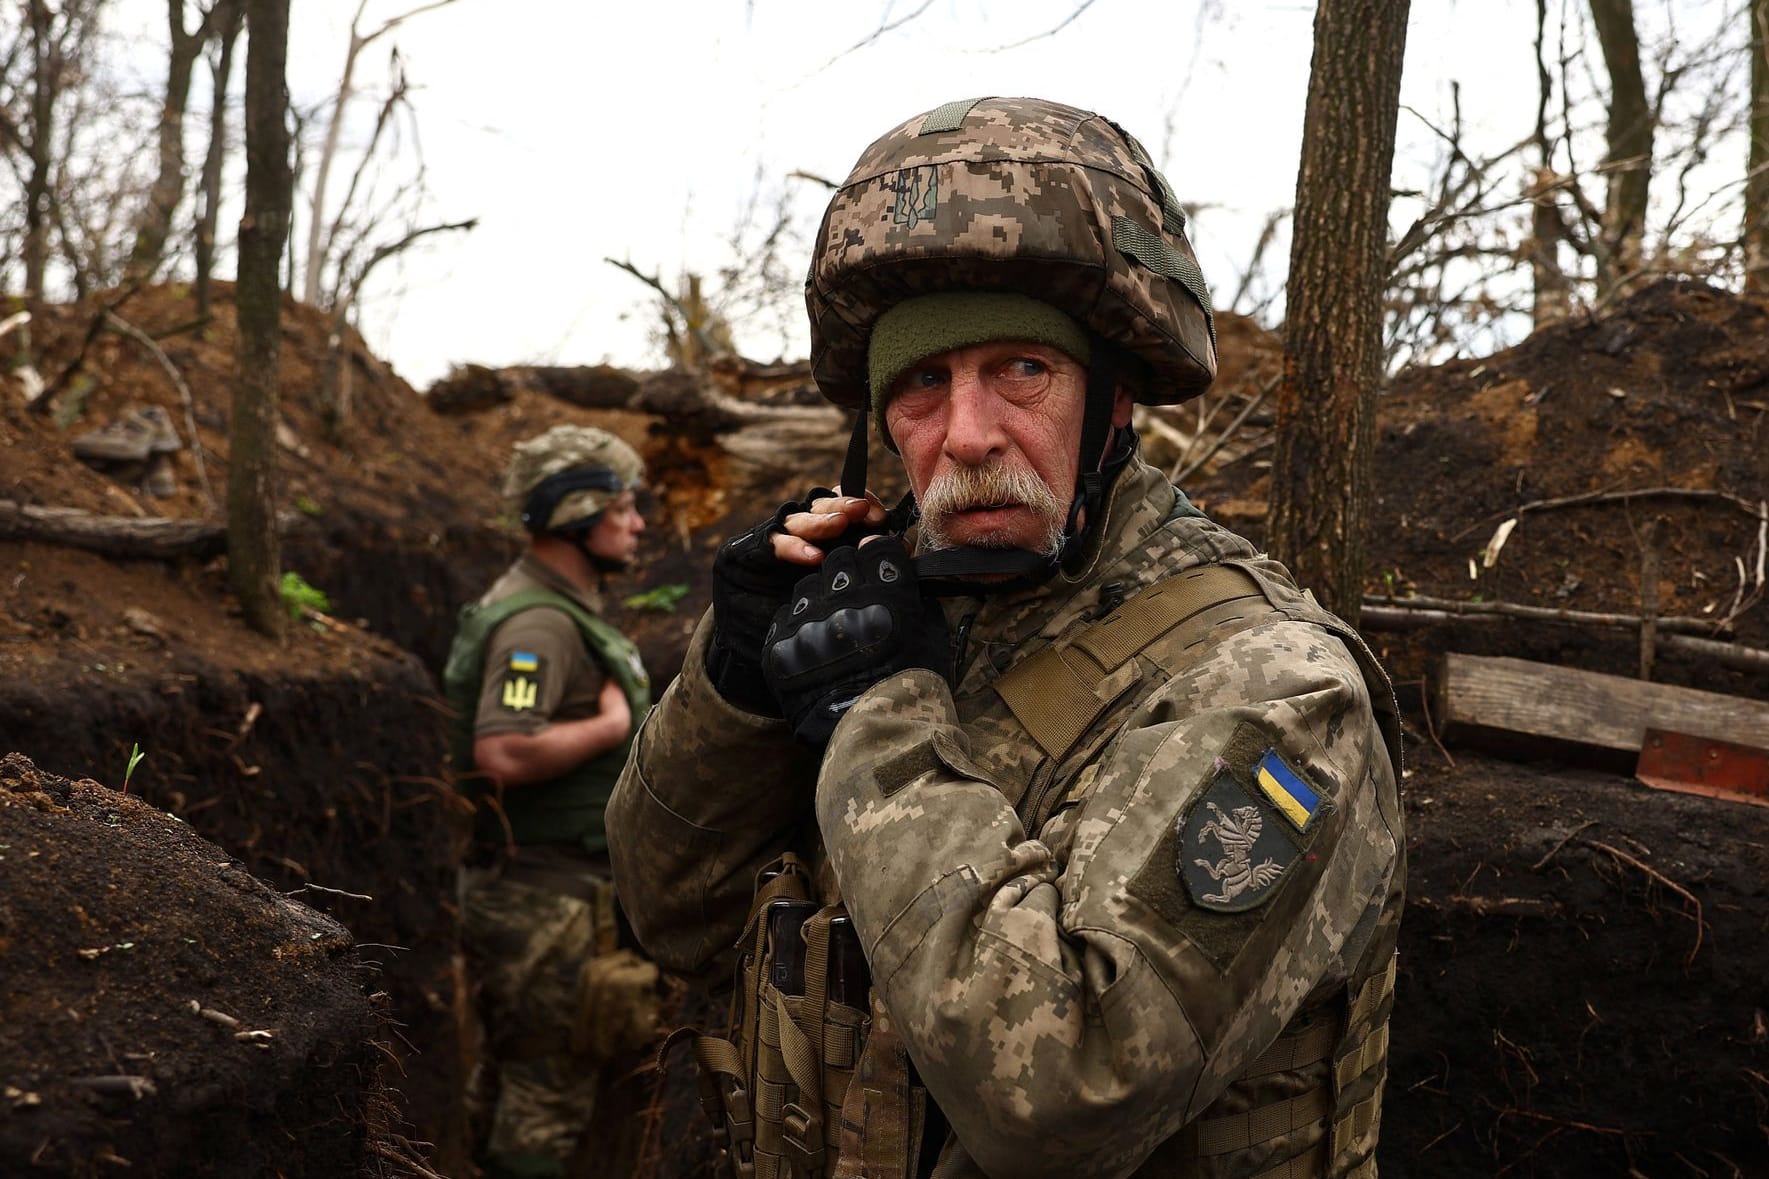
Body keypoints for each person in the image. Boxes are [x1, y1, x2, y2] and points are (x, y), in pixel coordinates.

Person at [607, 97, 1404, 1179]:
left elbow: (1066, 1095)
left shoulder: (1271, 688)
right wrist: (734, 688)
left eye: (1021, 370)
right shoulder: (893, 607)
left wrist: (876, 718)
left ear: (1111, 400)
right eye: (923, 385)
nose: (967, 433)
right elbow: (667, 919)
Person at [443, 424, 659, 1179]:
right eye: (624, 507)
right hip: (547, 900)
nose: (637, 523)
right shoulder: (538, 624)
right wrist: (610, 724)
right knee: (545, 1095)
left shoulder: (552, 604)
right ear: (578, 513)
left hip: (538, 890)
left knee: (511, 1078)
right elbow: (502, 750)